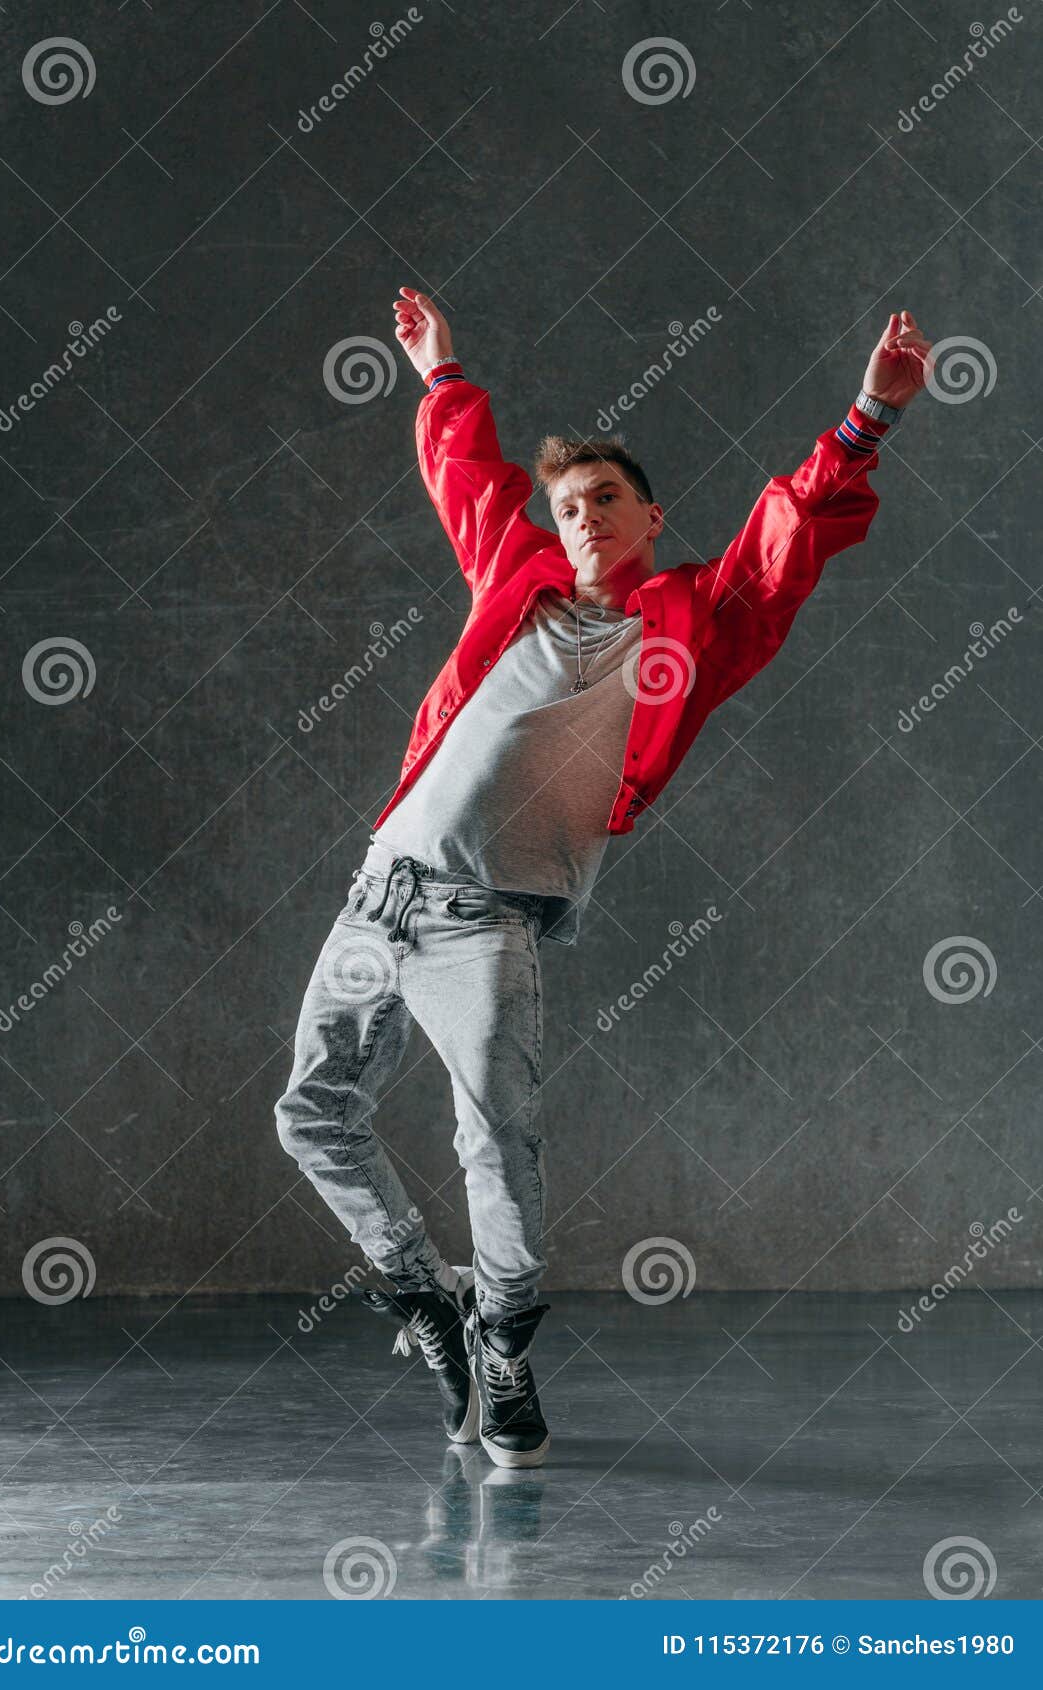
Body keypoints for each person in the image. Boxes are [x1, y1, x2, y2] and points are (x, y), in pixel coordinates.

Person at [275, 288, 934, 1467]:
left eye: (603, 500)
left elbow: (784, 543)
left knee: (498, 1146)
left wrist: (865, 419)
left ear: (646, 516)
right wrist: (439, 373)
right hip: (383, 890)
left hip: (485, 921)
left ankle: (504, 1342)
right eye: (567, 503)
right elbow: (468, 480)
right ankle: (424, 1299)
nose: (579, 517)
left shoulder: (690, 622)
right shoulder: (515, 577)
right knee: (311, 1110)